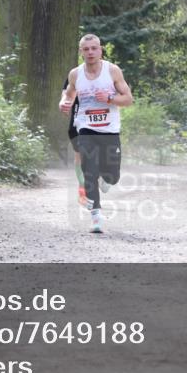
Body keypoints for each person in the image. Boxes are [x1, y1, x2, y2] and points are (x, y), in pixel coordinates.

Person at [58, 34, 134, 233]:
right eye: (86, 49)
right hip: (86, 128)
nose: (90, 52)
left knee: (113, 176)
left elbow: (128, 99)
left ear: (100, 50)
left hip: (109, 130)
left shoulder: (112, 71)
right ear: (81, 51)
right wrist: (63, 103)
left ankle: (105, 178)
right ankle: (96, 217)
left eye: (94, 48)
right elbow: (69, 94)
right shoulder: (75, 74)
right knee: (89, 171)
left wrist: (109, 98)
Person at [62, 77, 86, 205]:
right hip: (78, 121)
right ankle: (83, 190)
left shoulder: (108, 73)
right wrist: (64, 103)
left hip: (100, 123)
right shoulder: (75, 75)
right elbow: (65, 95)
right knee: (79, 156)